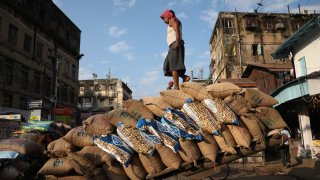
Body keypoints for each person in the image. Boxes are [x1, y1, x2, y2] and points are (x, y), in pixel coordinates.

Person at [160, 9, 190, 90]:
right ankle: (184, 77)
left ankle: (176, 86)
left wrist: (177, 43)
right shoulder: (170, 23)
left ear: (168, 16)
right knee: (167, 66)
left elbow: (177, 32)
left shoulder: (174, 21)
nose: (163, 20)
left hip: (175, 44)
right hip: (172, 45)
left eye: (164, 18)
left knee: (174, 66)